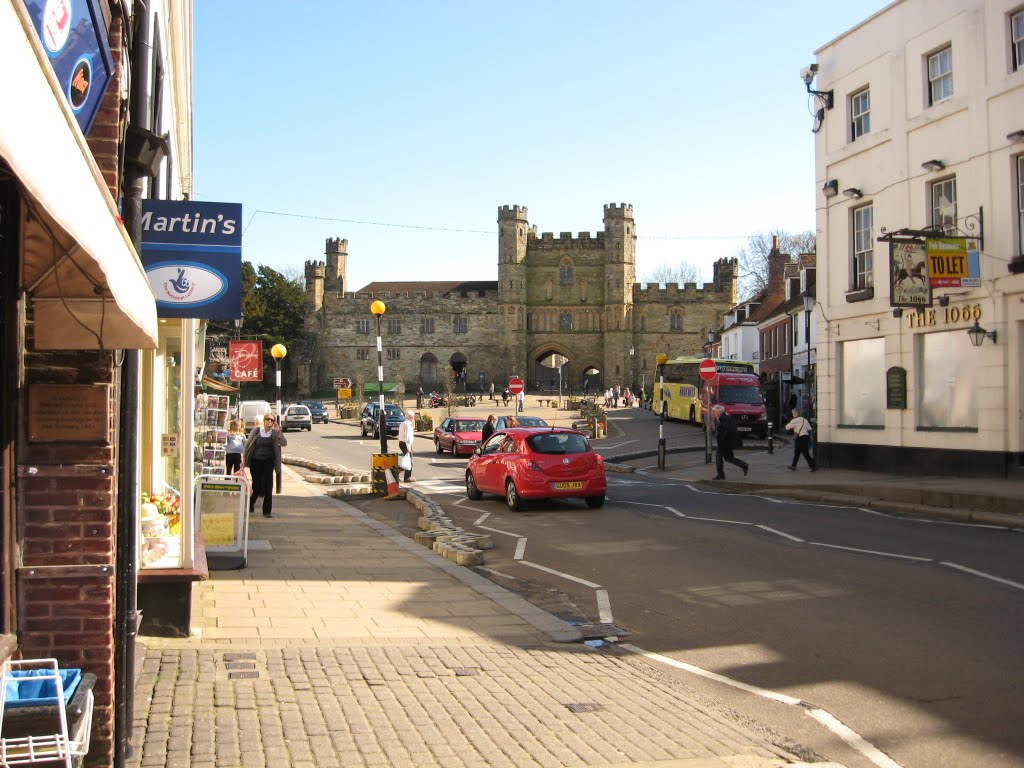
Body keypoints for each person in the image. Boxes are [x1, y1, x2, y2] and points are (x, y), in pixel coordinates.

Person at [243, 412, 288, 517]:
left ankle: (267, 511)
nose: (269, 421)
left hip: (268, 461)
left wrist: (278, 432)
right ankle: (250, 503)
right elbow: (247, 444)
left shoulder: (274, 432)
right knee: (257, 486)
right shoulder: (257, 430)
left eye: (272, 420)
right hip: (256, 461)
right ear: (264, 421)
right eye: (268, 419)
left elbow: (284, 443)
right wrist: (244, 458)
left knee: (268, 485)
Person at [711, 404, 748, 480]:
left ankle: (721, 475)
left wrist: (722, 439)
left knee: (718, 458)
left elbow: (728, 430)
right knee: (729, 458)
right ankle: (743, 465)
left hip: (724, 443)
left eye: (714, 412)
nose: (713, 413)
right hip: (727, 442)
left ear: (719, 412)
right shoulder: (725, 417)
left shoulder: (723, 419)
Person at [397, 409, 416, 482]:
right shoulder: (408, 424)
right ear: (410, 417)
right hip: (406, 443)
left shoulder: (403, 423)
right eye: (413, 416)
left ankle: (397, 472)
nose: (414, 418)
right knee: (409, 461)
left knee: (407, 460)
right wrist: (409, 448)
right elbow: (407, 437)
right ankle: (407, 477)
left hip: (402, 443)